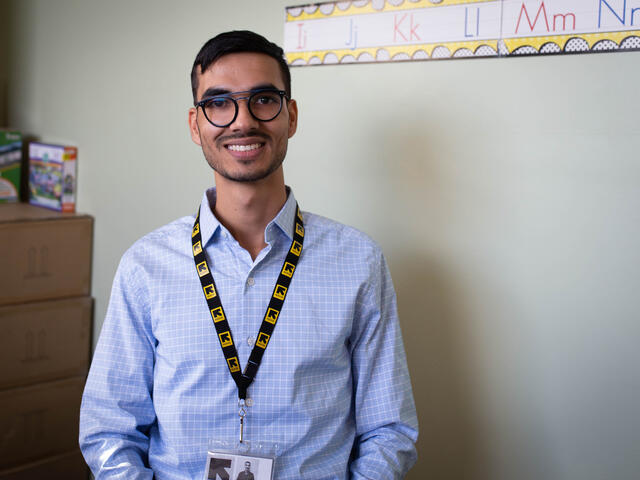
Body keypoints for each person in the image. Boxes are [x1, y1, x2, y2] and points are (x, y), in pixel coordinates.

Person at [79, 30, 418, 479]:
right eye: (219, 103)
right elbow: (109, 431)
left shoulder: (358, 261)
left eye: (263, 99)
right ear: (195, 124)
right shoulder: (146, 266)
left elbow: (389, 431)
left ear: (290, 116)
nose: (242, 121)